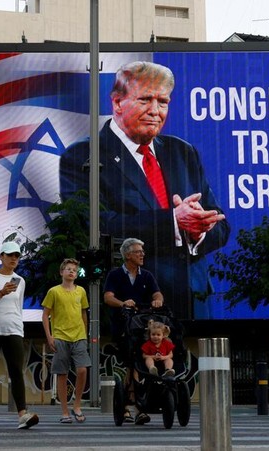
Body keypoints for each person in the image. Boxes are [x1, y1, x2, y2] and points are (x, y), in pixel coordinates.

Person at [60, 60, 230, 320]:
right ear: (117, 103)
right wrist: (173, 222)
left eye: (163, 102)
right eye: (145, 100)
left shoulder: (182, 152)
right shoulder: (84, 155)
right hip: (135, 306)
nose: (155, 111)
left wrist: (198, 231)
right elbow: (94, 227)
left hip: (194, 305)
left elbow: (219, 222)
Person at [0, 241, 39, 429]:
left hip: (13, 330)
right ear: (1, 256)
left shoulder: (20, 280)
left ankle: (22, 415)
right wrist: (0, 293)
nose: (13, 258)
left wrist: (20, 329)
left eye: (17, 255)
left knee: (16, 371)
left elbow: (18, 308)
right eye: (10, 255)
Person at [103, 237, 163, 425]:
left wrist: (157, 300)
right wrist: (123, 303)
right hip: (123, 328)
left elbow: (157, 292)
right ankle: (132, 407)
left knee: (140, 363)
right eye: (138, 252)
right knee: (132, 364)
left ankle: (138, 406)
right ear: (128, 255)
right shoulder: (115, 275)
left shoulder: (146, 275)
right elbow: (107, 297)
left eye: (142, 252)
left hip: (144, 328)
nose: (142, 254)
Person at [41, 258, 91, 424]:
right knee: (62, 373)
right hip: (60, 336)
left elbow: (84, 313)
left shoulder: (81, 291)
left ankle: (77, 405)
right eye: (68, 269)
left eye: (74, 270)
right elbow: (45, 315)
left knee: (82, 369)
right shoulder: (54, 291)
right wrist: (50, 337)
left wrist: (85, 332)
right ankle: (64, 411)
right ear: (62, 272)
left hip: (79, 335)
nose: (71, 272)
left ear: (76, 274)